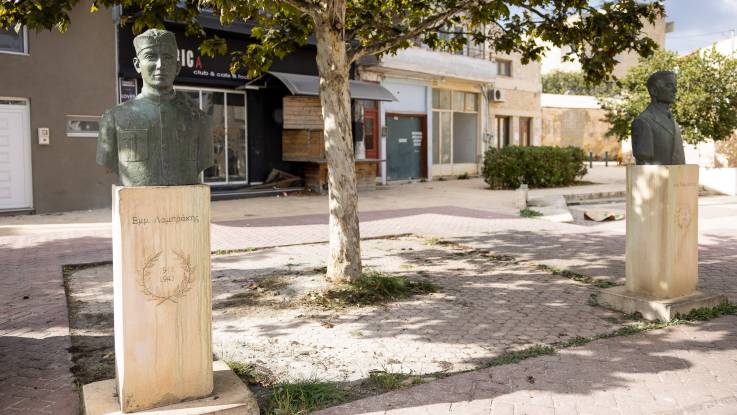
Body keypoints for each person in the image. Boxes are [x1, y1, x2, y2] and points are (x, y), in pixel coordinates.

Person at [97, 29, 213, 186]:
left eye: (167, 57)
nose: (160, 65)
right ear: (137, 65)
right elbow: (107, 161)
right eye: (151, 57)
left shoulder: (199, 120)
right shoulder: (113, 119)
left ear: (177, 66)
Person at [631, 71, 686, 165]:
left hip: (679, 177)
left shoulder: (672, 120)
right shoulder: (643, 121)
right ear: (654, 91)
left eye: (675, 85)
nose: (675, 90)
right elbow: (644, 165)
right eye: (669, 86)